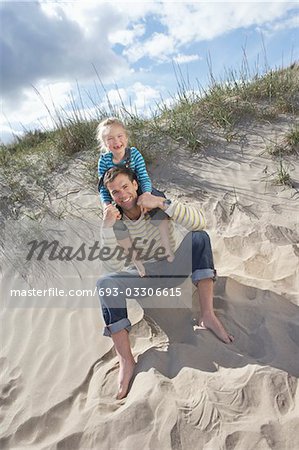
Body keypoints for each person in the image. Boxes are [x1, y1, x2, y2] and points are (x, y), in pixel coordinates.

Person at [97, 166, 234, 400]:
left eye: (124, 187)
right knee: (105, 283)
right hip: (145, 277)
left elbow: (200, 222)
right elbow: (110, 264)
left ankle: (207, 315)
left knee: (200, 237)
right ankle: (126, 360)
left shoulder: (154, 200)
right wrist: (106, 227)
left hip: (174, 268)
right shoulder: (115, 218)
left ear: (135, 185)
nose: (121, 194)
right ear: (110, 196)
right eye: (114, 192)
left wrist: (162, 203)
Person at [97, 117, 174, 277]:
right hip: (119, 197)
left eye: (119, 136)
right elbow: (103, 188)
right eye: (110, 139)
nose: (116, 142)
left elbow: (144, 177)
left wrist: (146, 194)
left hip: (139, 189)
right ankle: (137, 263)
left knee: (159, 200)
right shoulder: (104, 161)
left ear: (126, 137)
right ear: (105, 143)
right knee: (116, 224)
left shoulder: (134, 154)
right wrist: (106, 204)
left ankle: (167, 247)